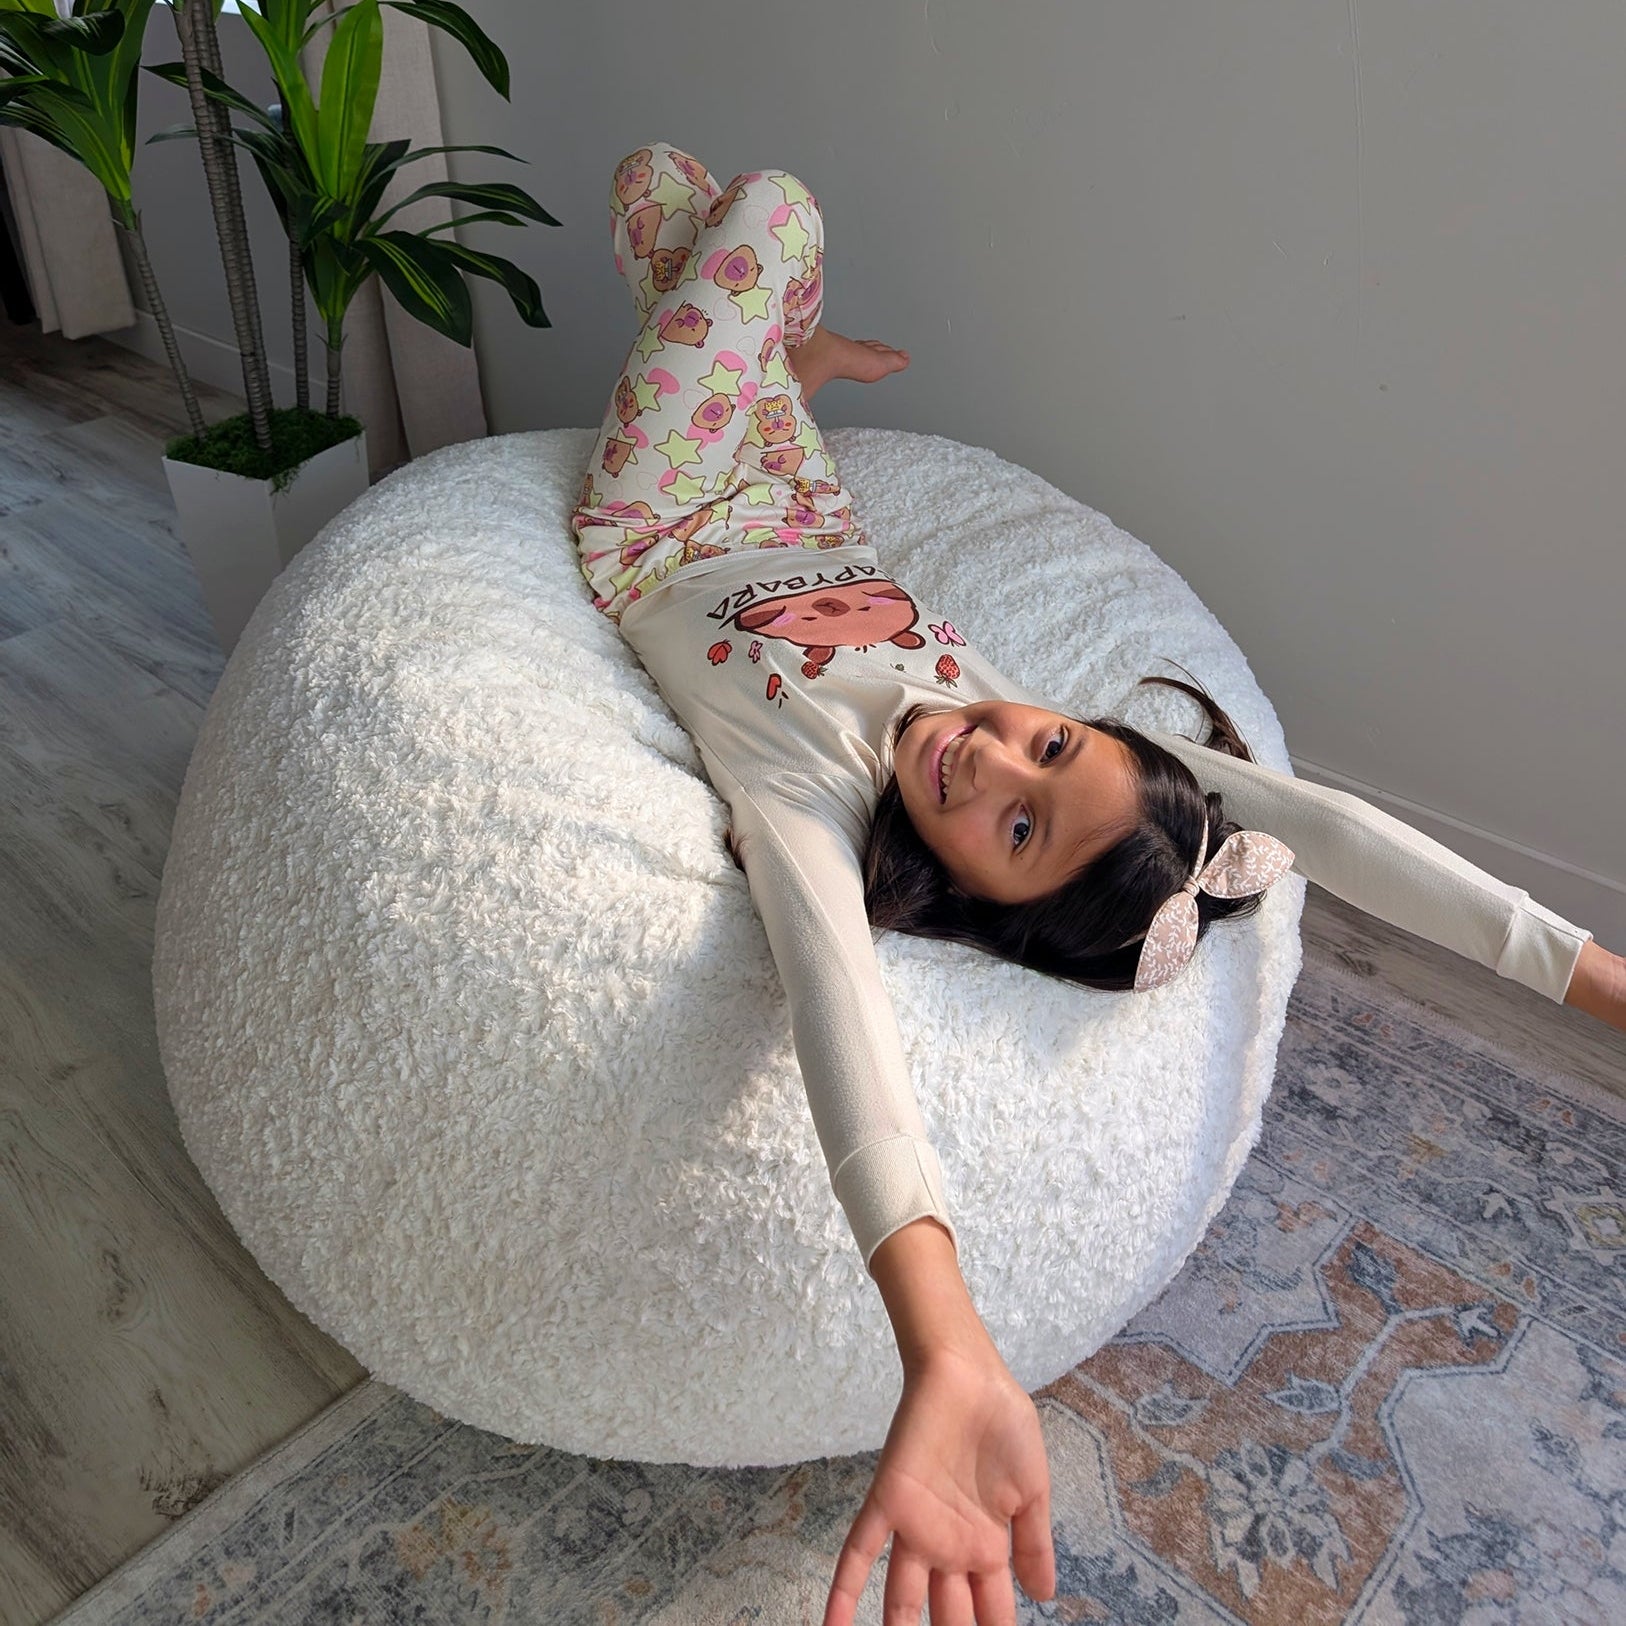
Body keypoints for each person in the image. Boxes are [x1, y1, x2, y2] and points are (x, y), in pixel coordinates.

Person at [571, 142, 1626, 1626]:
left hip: (657, 527)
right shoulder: (1019, 721)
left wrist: (945, 1344)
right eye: (1052, 746)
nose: (991, 758)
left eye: (1017, 830)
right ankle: (784, 371)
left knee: (747, 209)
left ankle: (780, 357)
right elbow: (1323, 823)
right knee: (670, 194)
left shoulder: (811, 803)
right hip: (804, 509)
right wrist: (1597, 979)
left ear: (975, 899)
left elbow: (840, 1020)